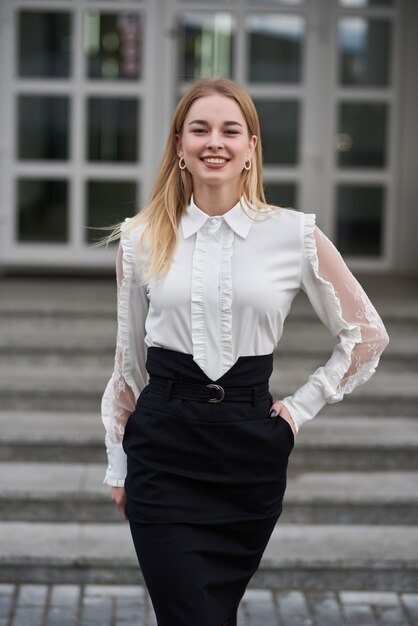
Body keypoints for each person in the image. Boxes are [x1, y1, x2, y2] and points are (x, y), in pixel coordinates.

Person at [100, 77, 389, 626]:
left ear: (251, 148)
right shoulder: (140, 239)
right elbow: (128, 364)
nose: (216, 141)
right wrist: (119, 462)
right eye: (199, 129)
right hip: (163, 449)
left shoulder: (294, 234)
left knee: (214, 612)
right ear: (179, 146)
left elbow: (366, 333)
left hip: (248, 454)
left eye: (231, 130)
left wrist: (300, 410)